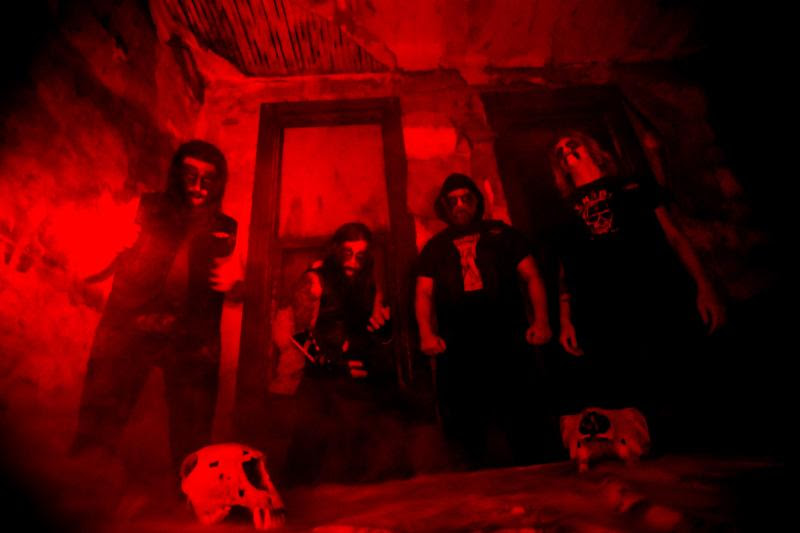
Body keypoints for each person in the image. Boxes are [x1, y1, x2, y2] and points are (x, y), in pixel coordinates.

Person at [72, 140, 237, 472]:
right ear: (176, 175)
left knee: (193, 422)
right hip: (132, 320)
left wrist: (235, 282)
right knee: (103, 410)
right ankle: (86, 479)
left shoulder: (225, 226)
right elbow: (91, 265)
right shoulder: (144, 207)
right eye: (190, 176)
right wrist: (113, 247)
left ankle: (190, 485)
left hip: (192, 332)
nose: (198, 186)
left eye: (208, 178)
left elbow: (234, 279)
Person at [548, 130, 725, 438]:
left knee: (679, 367)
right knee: (630, 381)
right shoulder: (563, 211)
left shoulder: (633, 186)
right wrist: (565, 319)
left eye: (571, 144)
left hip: (656, 291)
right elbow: (564, 267)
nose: (566, 152)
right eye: (559, 152)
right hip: (604, 307)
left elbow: (673, 235)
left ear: (592, 149)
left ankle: (703, 436)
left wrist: (704, 286)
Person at [415, 173, 552, 468]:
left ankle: (535, 472)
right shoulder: (435, 247)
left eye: (466, 198)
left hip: (507, 335)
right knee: (464, 422)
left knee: (522, 413)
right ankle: (471, 480)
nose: (460, 205)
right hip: (458, 343)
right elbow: (424, 292)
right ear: (444, 206)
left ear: (476, 201)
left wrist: (541, 321)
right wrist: (426, 334)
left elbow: (532, 275)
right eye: (452, 201)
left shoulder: (503, 235)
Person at [273, 222, 397, 484]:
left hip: (356, 382)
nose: (352, 262)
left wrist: (385, 333)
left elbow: (376, 335)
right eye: (347, 253)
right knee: (307, 456)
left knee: (362, 458)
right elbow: (296, 336)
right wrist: (333, 366)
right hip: (319, 382)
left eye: (360, 256)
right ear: (336, 250)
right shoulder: (314, 281)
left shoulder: (369, 285)